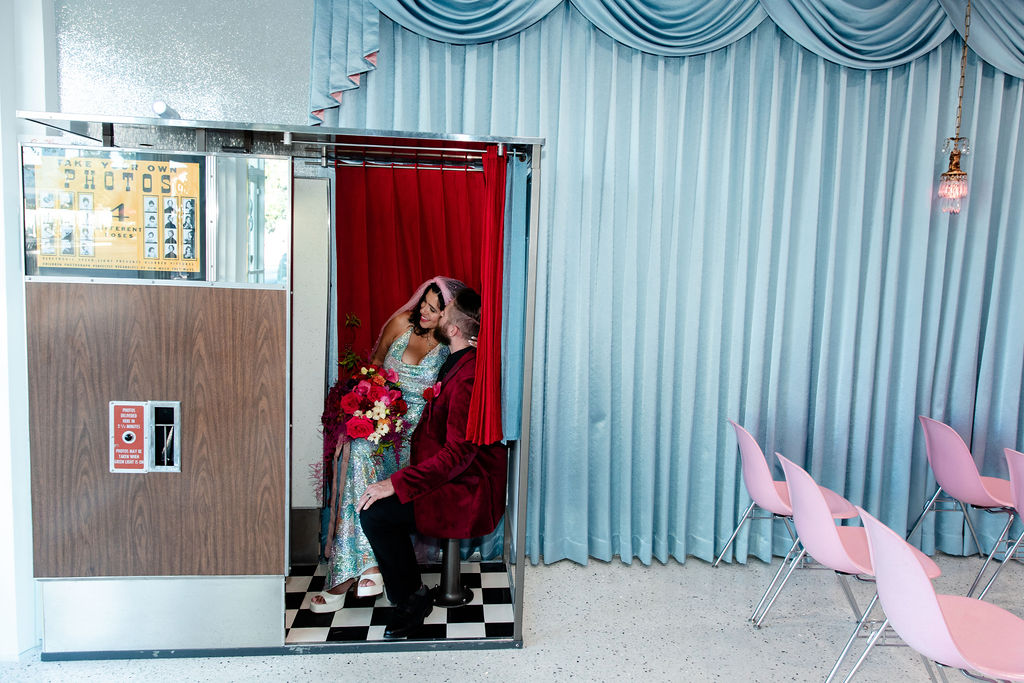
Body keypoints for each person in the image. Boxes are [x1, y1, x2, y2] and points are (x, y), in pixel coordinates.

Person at [357, 287, 508, 639]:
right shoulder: (458, 362)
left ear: (454, 329)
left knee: (376, 514)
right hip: (452, 476)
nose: (438, 315)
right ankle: (411, 591)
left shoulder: (467, 376)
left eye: (445, 312)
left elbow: (460, 454)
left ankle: (412, 598)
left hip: (465, 487)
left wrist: (396, 483)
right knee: (378, 504)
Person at [310, 276, 465, 613]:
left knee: (362, 455)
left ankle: (344, 577)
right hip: (380, 423)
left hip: (415, 439)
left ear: (448, 317)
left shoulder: (449, 346)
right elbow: (375, 366)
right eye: (424, 302)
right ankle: (368, 567)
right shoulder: (400, 324)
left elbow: (455, 388)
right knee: (359, 447)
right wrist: (370, 404)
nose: (424, 311)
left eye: (435, 310)